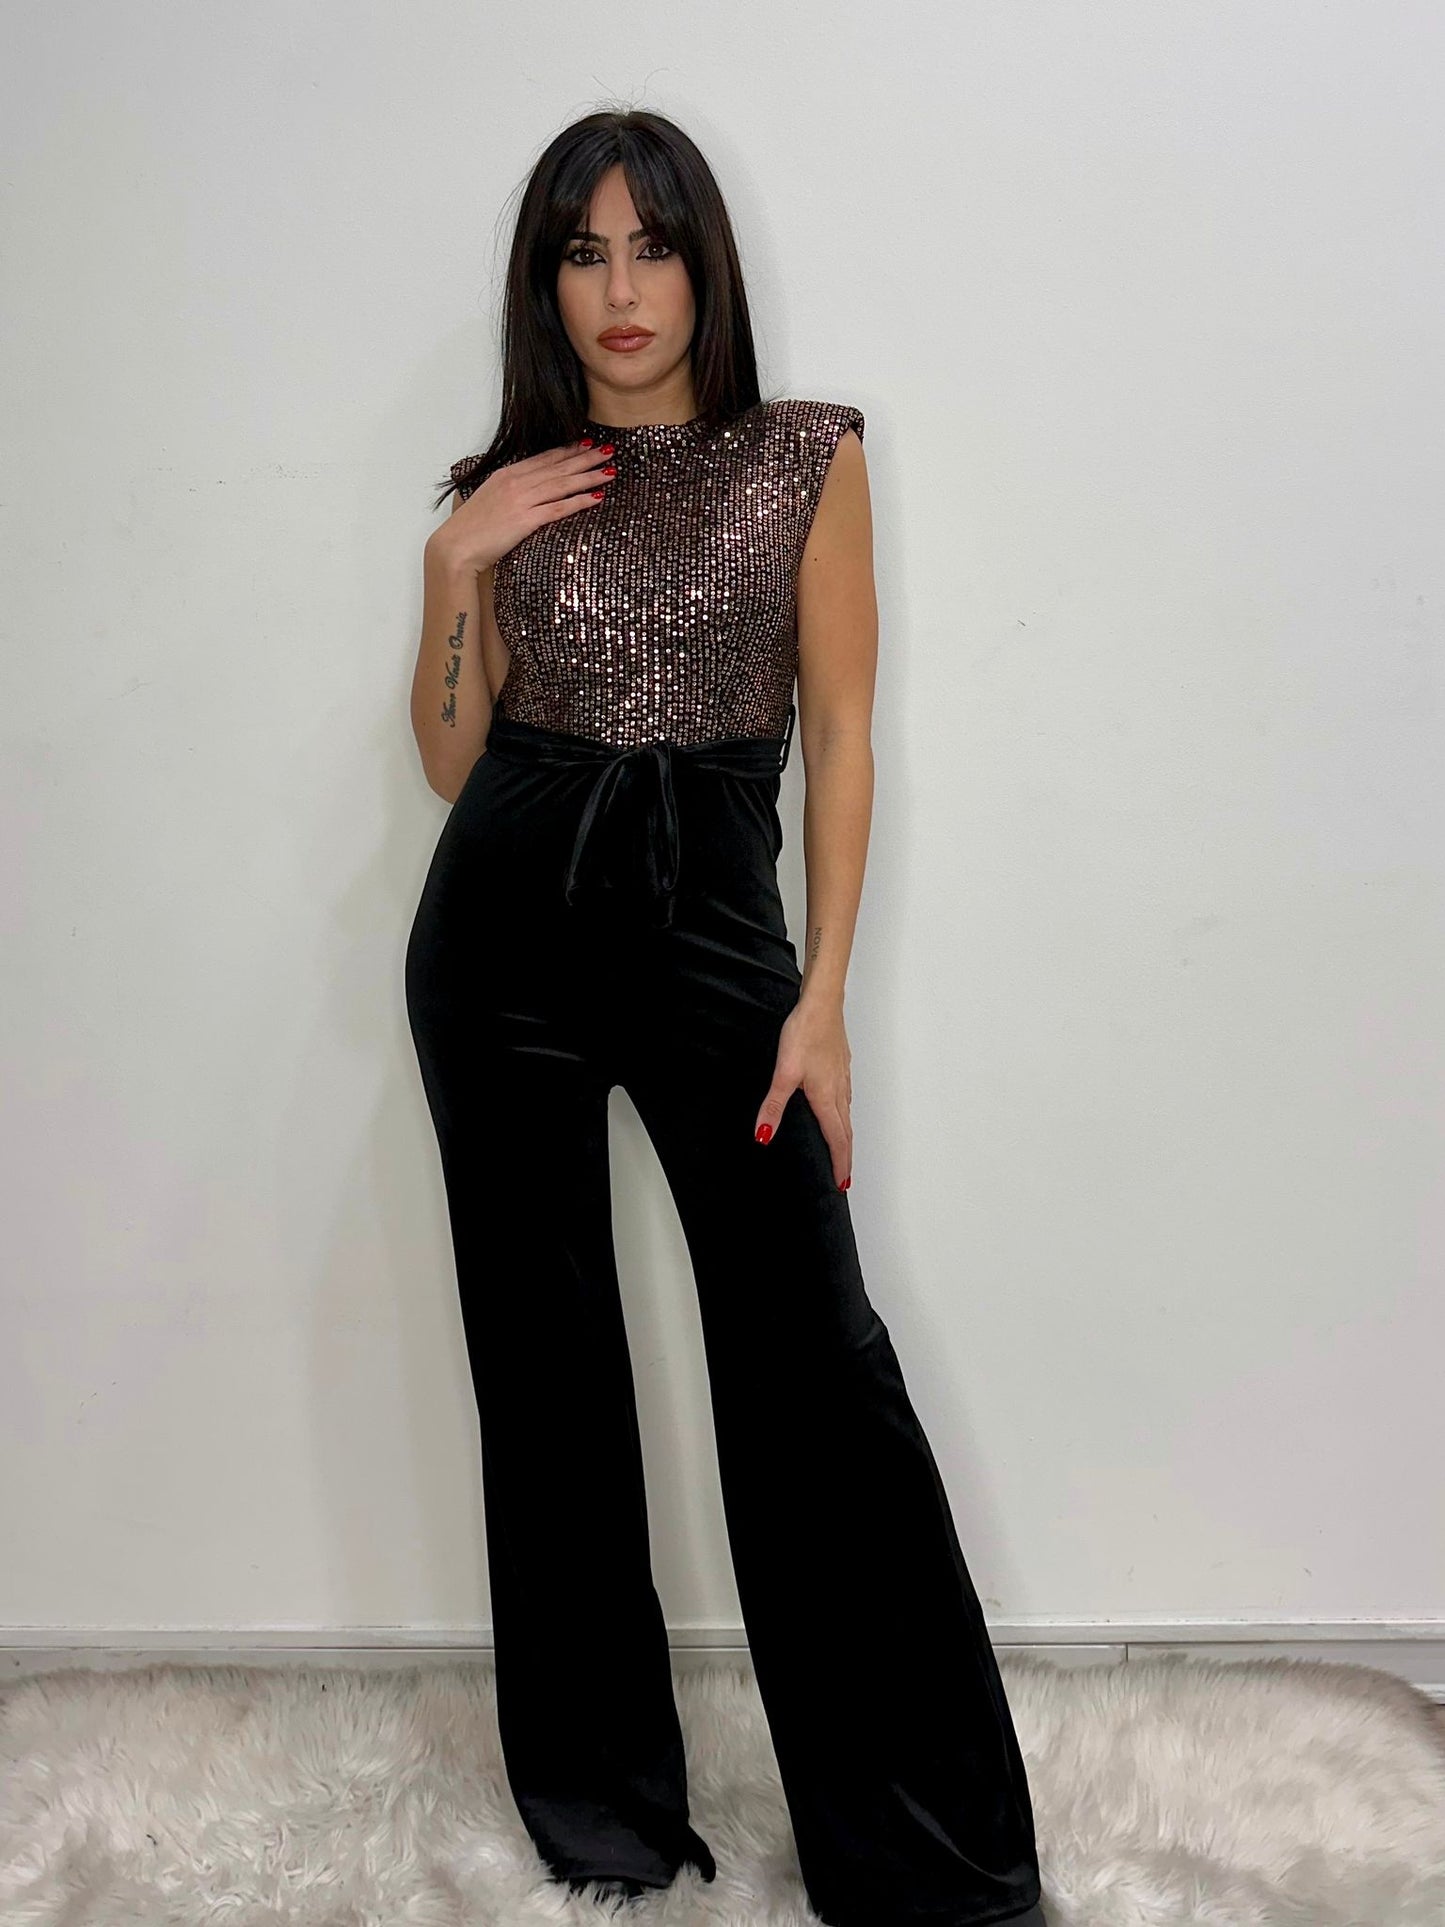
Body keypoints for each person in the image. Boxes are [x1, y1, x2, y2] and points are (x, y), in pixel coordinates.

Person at [404, 106, 1048, 1927]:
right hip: (501, 940)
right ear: (545, 286)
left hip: (712, 934)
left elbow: (838, 732)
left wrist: (820, 997)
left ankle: (921, 1855)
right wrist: (451, 572)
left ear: (704, 268)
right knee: (544, 1377)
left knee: (813, 1373)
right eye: (582, 254)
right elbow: (451, 761)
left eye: (652, 247)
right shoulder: (511, 489)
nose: (621, 289)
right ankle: (604, 1817)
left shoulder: (801, 455)